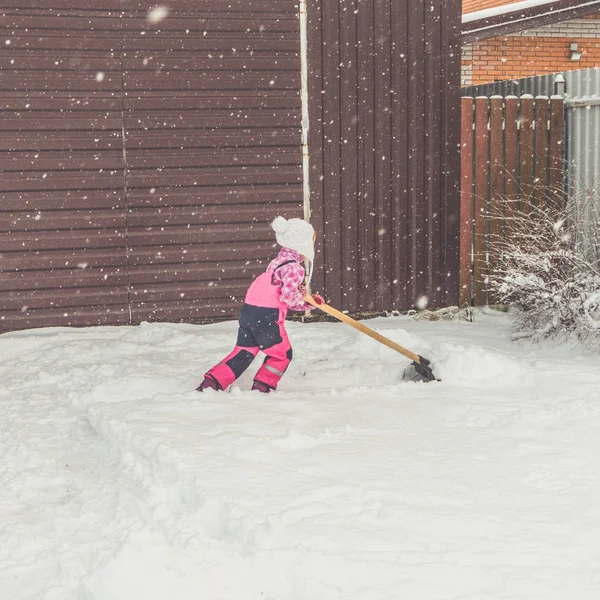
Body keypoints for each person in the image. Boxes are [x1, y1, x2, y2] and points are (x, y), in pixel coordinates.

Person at [197, 216, 324, 393]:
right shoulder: (295, 268)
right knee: (282, 355)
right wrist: (306, 302)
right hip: (267, 317)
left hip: (249, 312)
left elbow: (280, 290)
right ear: (303, 245)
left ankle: (211, 384)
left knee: (244, 352)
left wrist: (304, 299)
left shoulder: (276, 263)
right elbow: (289, 298)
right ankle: (262, 388)